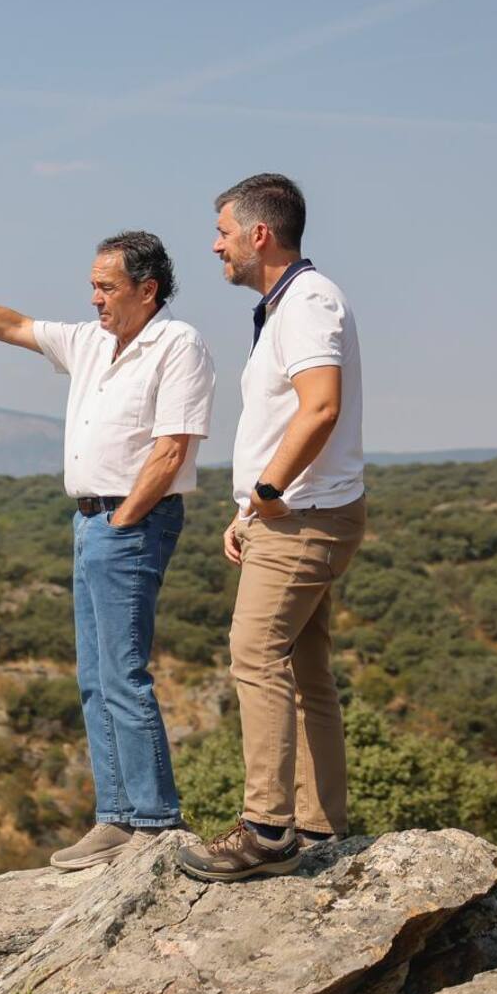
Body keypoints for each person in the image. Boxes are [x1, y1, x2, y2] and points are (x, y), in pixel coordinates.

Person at [0, 232, 215, 869]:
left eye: (106, 287)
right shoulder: (89, 342)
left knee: (123, 670)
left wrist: (124, 521)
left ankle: (155, 820)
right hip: (91, 521)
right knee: (94, 677)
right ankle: (117, 818)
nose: (94, 299)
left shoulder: (178, 344)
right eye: (93, 286)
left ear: (147, 289)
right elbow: (9, 324)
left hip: (131, 521)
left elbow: (172, 449)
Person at [178, 174, 365, 883]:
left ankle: (267, 831)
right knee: (305, 668)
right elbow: (284, 421)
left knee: (254, 654)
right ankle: (318, 822)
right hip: (291, 515)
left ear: (259, 234)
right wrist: (247, 509)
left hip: (304, 518)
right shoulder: (287, 305)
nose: (215, 244)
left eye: (222, 231)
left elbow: (319, 408)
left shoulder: (310, 301)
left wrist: (266, 490)